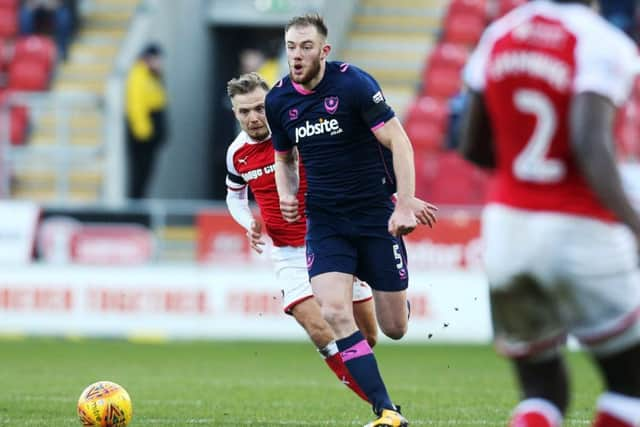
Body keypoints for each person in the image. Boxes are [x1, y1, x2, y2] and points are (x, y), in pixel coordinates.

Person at [459, 1, 640, 426]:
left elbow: (470, 144)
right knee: (630, 384)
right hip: (582, 228)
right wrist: (634, 223)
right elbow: (588, 141)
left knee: (539, 389)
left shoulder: (499, 35)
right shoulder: (602, 42)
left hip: (507, 231)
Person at [265, 14, 437, 427]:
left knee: (393, 328)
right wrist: (287, 193)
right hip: (326, 222)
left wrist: (405, 202)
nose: (296, 54)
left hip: (375, 215)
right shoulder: (278, 101)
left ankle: (397, 301)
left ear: (324, 51)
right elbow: (283, 158)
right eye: (291, 46)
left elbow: (399, 140)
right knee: (335, 311)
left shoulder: (354, 84)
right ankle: (387, 411)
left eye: (306, 46)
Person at [225, 71, 378, 403]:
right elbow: (234, 195)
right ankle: (382, 406)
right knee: (321, 331)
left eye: (259, 108)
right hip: (287, 254)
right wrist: (246, 222)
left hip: (331, 240)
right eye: (243, 112)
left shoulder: (300, 131)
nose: (253, 118)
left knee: (368, 336)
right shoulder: (236, 154)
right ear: (235, 113)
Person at [125, 43, 167, 199]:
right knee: (140, 174)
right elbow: (136, 105)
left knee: (147, 174)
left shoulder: (152, 76)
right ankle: (136, 208)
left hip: (151, 135)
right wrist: (144, 133)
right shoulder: (138, 76)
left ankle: (140, 202)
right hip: (143, 137)